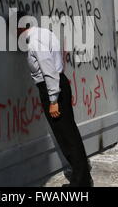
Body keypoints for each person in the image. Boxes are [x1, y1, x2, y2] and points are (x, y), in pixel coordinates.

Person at [15, 11, 93, 187]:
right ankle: (82, 177)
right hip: (60, 84)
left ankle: (80, 184)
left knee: (66, 136)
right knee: (70, 132)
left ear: (20, 27)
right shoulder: (46, 33)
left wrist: (52, 101)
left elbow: (49, 72)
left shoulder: (35, 42)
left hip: (52, 88)